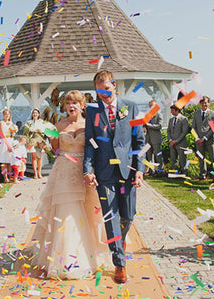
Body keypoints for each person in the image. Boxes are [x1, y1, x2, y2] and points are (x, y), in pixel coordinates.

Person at [29, 90, 110, 279]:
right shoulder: (57, 125)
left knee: (88, 213)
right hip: (64, 172)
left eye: (75, 102)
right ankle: (64, 260)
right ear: (64, 106)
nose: (71, 106)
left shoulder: (89, 124)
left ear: (83, 105)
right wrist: (43, 137)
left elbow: (96, 148)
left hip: (84, 173)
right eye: (68, 103)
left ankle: (90, 254)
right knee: (66, 213)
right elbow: (56, 149)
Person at [83, 70, 145, 284]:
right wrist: (87, 170)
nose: (103, 94)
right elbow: (90, 143)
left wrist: (140, 169)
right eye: (99, 90)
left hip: (127, 171)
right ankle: (119, 262)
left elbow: (139, 142)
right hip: (104, 173)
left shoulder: (132, 107)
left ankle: (121, 241)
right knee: (111, 217)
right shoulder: (92, 112)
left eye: (106, 89)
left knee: (127, 216)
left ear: (114, 86)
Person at [191, 96, 214, 181]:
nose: (204, 104)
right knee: (201, 158)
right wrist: (197, 138)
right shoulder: (196, 114)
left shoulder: (212, 113)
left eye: (206, 102)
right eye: (202, 102)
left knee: (213, 158)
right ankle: (202, 174)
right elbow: (193, 127)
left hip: (209, 139)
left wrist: (205, 138)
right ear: (200, 103)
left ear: (208, 103)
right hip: (199, 140)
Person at [167, 104, 189, 174]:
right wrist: (170, 140)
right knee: (173, 159)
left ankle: (184, 173)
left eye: (172, 110)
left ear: (177, 111)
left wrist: (176, 141)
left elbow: (184, 132)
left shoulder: (184, 119)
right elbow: (168, 131)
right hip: (172, 143)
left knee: (182, 159)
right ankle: (175, 173)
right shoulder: (171, 120)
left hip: (181, 143)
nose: (171, 112)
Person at [0, 108, 17, 183]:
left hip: (10, 140)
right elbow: (2, 135)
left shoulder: (11, 123)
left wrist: (14, 131)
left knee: (10, 160)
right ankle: (5, 178)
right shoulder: (1, 123)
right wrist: (8, 145)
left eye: (8, 115)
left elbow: (12, 135)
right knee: (4, 161)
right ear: (3, 115)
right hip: (4, 142)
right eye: (5, 115)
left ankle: (10, 176)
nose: (7, 116)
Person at [143, 100, 163, 175]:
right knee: (149, 156)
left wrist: (148, 125)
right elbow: (144, 125)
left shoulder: (159, 114)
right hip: (148, 138)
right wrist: (144, 126)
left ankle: (159, 171)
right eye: (150, 105)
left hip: (156, 138)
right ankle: (151, 170)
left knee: (158, 155)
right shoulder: (147, 115)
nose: (152, 107)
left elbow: (159, 126)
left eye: (153, 105)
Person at [25, 108, 45, 179]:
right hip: (32, 140)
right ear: (32, 114)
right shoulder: (29, 122)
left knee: (39, 157)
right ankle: (35, 173)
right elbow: (26, 133)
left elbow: (44, 132)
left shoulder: (41, 122)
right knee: (34, 157)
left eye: (36, 113)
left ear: (39, 114)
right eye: (33, 113)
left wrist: (43, 141)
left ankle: (39, 173)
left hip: (40, 140)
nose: (35, 114)